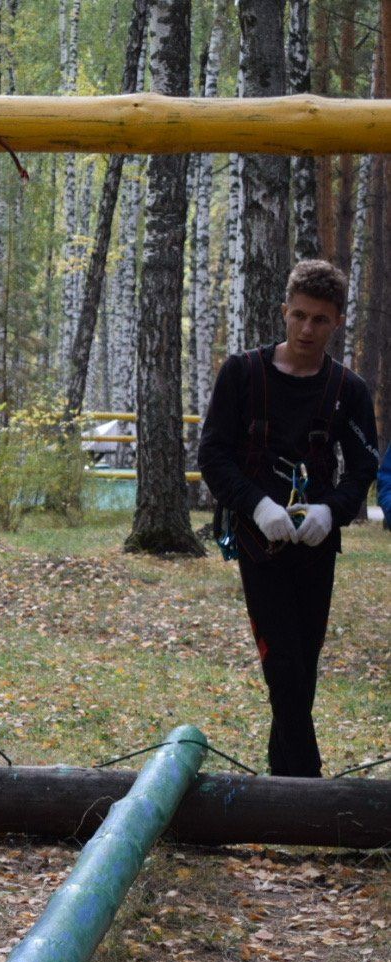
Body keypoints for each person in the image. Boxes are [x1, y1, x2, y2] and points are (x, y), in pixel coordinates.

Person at [198, 259, 380, 778]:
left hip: (316, 543)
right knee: (281, 662)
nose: (306, 329)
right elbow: (213, 454)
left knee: (304, 664)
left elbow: (364, 462)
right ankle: (306, 787)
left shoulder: (349, 390)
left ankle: (285, 787)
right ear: (284, 311)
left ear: (338, 322)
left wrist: (334, 510)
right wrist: (255, 504)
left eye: (320, 320)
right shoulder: (242, 374)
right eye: (299, 315)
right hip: (259, 542)